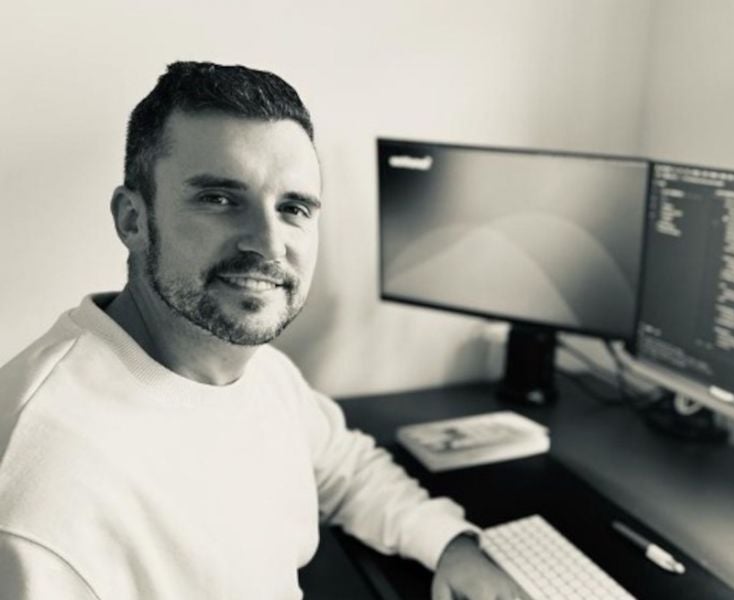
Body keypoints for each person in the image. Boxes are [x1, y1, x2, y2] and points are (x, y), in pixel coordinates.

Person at [0, 61, 523, 600]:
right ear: (133, 219)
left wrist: (452, 546)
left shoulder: (256, 367)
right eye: (221, 199)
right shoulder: (42, 485)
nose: (269, 245)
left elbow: (346, 470)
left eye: (293, 208)